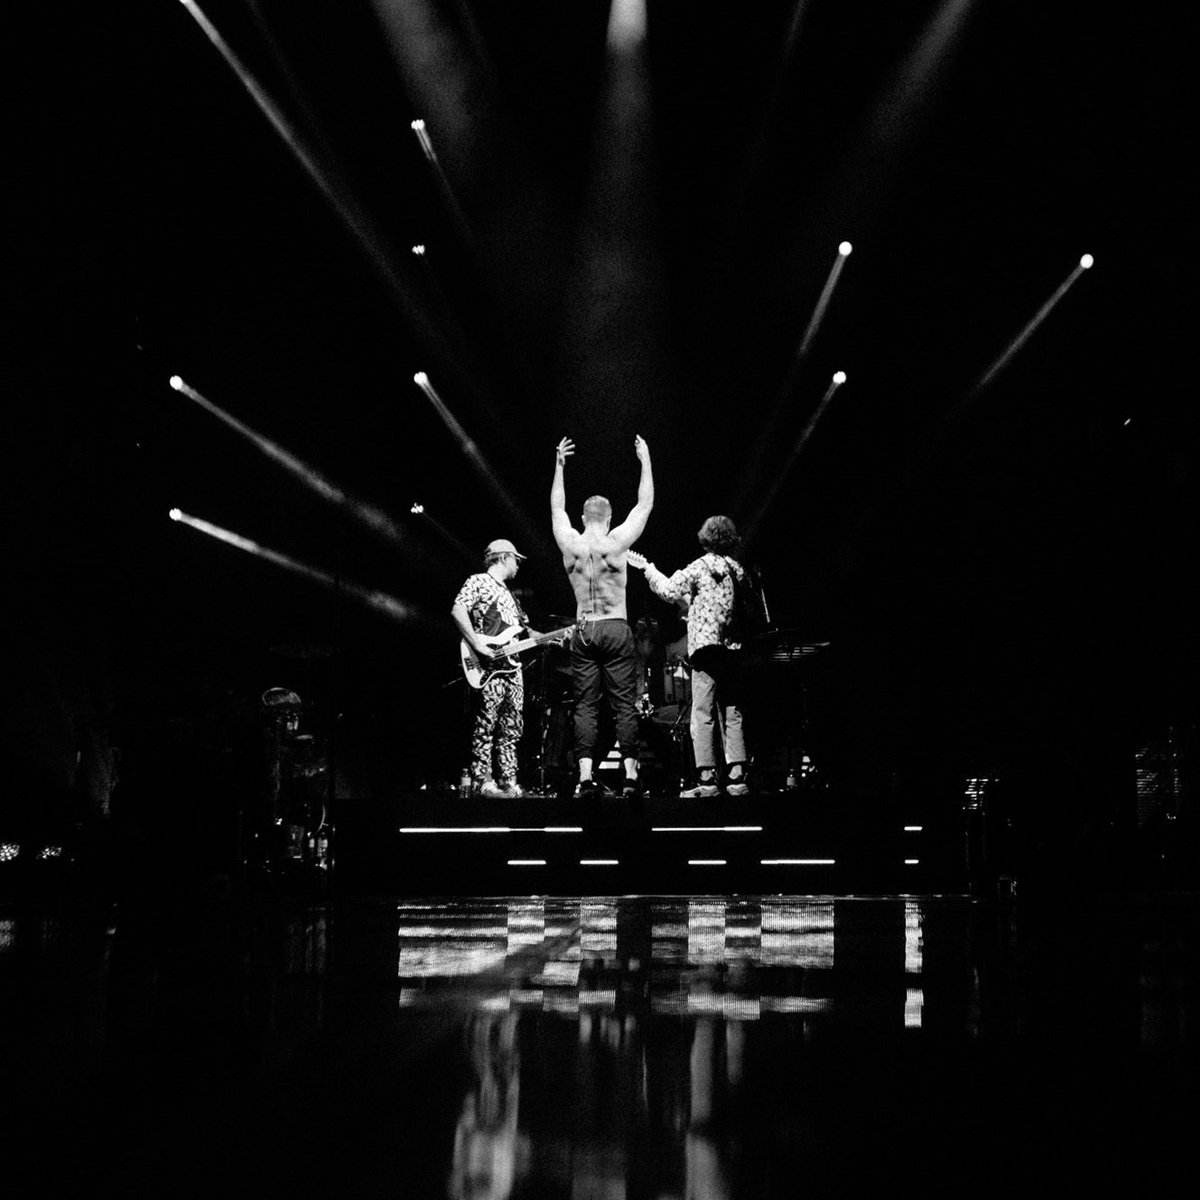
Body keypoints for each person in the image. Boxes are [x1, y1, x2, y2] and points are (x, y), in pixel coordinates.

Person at [551, 435, 653, 797]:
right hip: (615, 625)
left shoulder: (570, 543)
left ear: (583, 518)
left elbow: (556, 509)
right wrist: (645, 461)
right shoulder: (617, 542)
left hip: (584, 628)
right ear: (609, 519)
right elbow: (644, 504)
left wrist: (560, 466)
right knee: (624, 704)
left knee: (585, 706)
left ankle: (584, 777)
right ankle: (630, 776)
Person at [627, 515, 753, 797]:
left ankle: (707, 779)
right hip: (732, 649)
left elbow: (668, 590)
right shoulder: (737, 570)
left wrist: (648, 569)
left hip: (706, 650)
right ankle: (737, 777)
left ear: (706, 538)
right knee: (732, 711)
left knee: (702, 712)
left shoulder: (700, 566)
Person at [451, 539, 538, 798]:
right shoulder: (478, 581)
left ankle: (509, 781)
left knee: (512, 725)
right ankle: (483, 781)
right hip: (488, 666)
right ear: (503, 557)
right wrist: (477, 644)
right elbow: (458, 610)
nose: (518, 565)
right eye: (516, 559)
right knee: (486, 722)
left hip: (512, 668)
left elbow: (526, 632)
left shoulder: (512, 596)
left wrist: (554, 637)